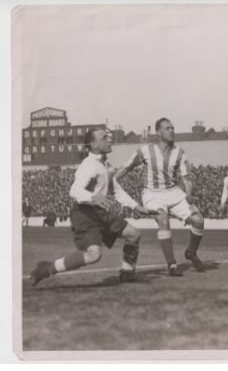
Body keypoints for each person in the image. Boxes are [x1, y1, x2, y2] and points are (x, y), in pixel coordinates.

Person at [30, 129, 149, 286]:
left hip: (100, 213)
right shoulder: (89, 165)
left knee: (134, 234)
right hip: (85, 214)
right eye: (104, 138)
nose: (109, 140)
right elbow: (74, 190)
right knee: (94, 255)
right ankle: (47, 268)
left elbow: (116, 190)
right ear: (93, 144)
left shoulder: (104, 164)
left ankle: (127, 273)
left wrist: (136, 206)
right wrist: (93, 197)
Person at [115, 117, 205, 276]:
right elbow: (126, 167)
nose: (171, 131)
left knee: (198, 220)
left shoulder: (180, 153)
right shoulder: (145, 150)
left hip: (174, 192)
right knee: (163, 220)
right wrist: (111, 181)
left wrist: (189, 194)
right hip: (152, 194)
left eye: (172, 128)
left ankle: (191, 252)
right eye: (167, 128)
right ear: (158, 132)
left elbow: (187, 178)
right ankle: (171, 264)